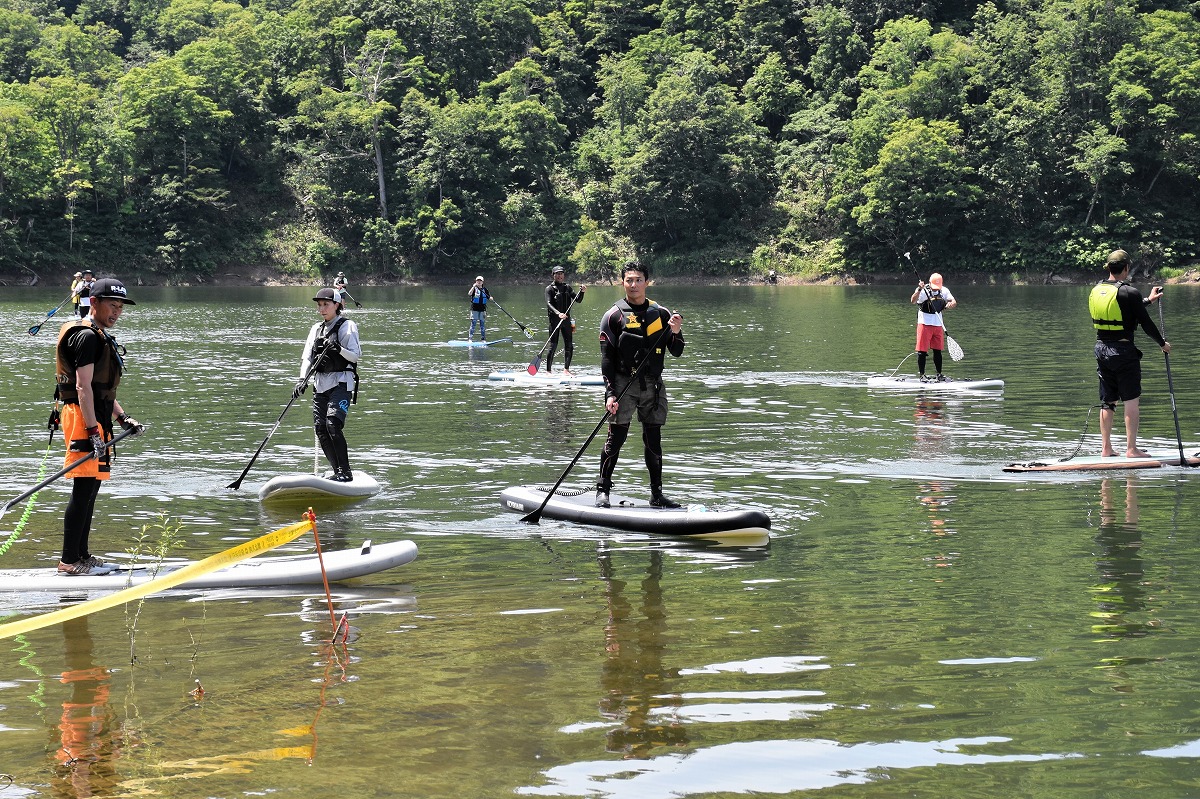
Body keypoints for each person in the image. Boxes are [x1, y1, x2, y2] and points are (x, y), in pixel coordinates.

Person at [54, 278, 143, 575]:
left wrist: (121, 417)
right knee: (83, 489)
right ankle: (69, 561)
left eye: (120, 307)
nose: (117, 312)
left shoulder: (99, 334)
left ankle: (83, 556)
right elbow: (82, 388)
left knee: (92, 488)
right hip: (83, 417)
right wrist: (93, 432)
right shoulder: (87, 337)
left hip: (96, 416)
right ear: (94, 303)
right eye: (112, 305)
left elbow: (100, 388)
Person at [595, 261, 685, 509]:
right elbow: (606, 360)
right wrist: (610, 394)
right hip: (624, 383)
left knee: (653, 439)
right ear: (622, 282)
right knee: (617, 437)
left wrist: (676, 332)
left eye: (638, 280)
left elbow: (676, 351)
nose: (633, 285)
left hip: (653, 385)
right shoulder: (613, 315)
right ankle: (603, 490)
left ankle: (657, 494)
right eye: (629, 280)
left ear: (647, 282)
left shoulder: (662, 314)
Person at [1089, 249, 1169, 458]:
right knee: (1131, 399)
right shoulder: (1129, 291)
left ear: (1108, 268)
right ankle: (1131, 449)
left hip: (1101, 350)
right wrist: (1162, 344)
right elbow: (1145, 323)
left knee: (1108, 401)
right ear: (1126, 268)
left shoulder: (1097, 289)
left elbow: (1122, 309)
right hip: (1123, 351)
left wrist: (1148, 300)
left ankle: (1106, 449)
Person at [294, 288, 361, 481]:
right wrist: (301, 380)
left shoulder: (347, 326)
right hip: (320, 384)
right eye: (319, 305)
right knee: (321, 429)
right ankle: (337, 471)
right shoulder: (316, 329)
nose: (322, 309)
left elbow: (354, 356)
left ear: (337, 305)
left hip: (341, 382)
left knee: (332, 425)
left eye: (326, 304)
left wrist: (338, 349)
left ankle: (345, 473)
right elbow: (307, 358)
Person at [910, 272, 957, 381]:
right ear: (929, 283)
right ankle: (922, 375)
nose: (936, 289)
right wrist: (918, 289)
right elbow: (912, 300)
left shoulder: (944, 290)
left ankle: (939, 374)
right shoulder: (922, 290)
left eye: (938, 287)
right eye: (934, 287)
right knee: (922, 351)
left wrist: (951, 304)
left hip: (938, 323)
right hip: (924, 323)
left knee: (938, 350)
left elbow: (953, 301)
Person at [545, 266, 586, 374]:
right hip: (555, 322)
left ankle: (566, 370)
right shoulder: (549, 289)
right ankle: (548, 371)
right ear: (553, 275)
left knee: (569, 345)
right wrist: (558, 314)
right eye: (557, 274)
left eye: (561, 274)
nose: (559, 276)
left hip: (567, 322)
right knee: (553, 345)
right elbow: (549, 303)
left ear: (564, 275)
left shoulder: (567, 287)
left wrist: (582, 292)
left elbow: (578, 300)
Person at [467, 276, 491, 341]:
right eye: (477, 281)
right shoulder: (474, 289)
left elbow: (489, 297)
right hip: (474, 309)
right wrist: (473, 287)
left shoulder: (485, 290)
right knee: (473, 324)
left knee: (482, 325)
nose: (479, 282)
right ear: (476, 282)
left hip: (482, 309)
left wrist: (491, 298)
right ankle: (470, 339)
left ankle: (483, 339)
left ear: (482, 282)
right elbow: (469, 294)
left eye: (480, 281)